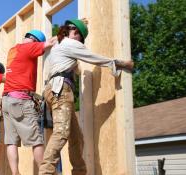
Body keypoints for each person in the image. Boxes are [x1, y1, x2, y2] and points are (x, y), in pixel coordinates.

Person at [39, 19, 134, 175]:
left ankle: (80, 172)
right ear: (75, 33)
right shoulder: (72, 44)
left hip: (53, 90)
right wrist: (119, 63)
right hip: (61, 90)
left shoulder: (59, 45)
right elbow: (93, 57)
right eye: (81, 37)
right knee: (61, 132)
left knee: (76, 138)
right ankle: (45, 172)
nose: (81, 42)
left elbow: (73, 66)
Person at [1, 29, 56, 175]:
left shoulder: (14, 50)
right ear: (35, 40)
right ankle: (46, 173)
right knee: (36, 139)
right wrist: (67, 31)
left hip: (6, 101)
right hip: (20, 101)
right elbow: (50, 43)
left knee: (11, 141)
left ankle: (15, 173)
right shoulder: (29, 47)